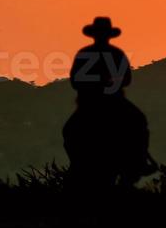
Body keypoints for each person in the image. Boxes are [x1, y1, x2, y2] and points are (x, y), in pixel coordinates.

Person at [62, 16, 154, 189]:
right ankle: (139, 162)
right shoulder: (114, 54)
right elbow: (125, 80)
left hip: (96, 101)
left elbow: (77, 81)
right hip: (103, 100)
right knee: (138, 121)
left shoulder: (87, 54)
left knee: (138, 120)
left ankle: (138, 162)